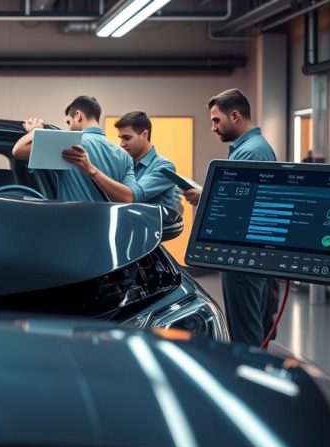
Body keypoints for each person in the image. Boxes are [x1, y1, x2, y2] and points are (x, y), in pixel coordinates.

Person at [183, 88, 277, 346]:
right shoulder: (248, 149)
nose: (213, 127)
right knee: (247, 325)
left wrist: (205, 198)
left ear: (235, 115)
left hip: (245, 256)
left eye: (216, 120)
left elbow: (239, 207)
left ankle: (249, 380)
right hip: (245, 254)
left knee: (245, 333)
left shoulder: (251, 152)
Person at [12, 96, 138, 203]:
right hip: (107, 226)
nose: (69, 128)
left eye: (68, 122)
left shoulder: (67, 144)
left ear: (78, 115)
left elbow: (18, 151)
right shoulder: (124, 155)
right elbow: (129, 198)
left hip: (72, 222)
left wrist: (36, 131)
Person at [113, 111, 182, 214]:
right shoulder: (125, 164)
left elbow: (134, 196)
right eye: (121, 138)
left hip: (152, 229)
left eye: (127, 138)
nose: (121, 144)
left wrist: (93, 172)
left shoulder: (164, 167)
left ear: (144, 135)